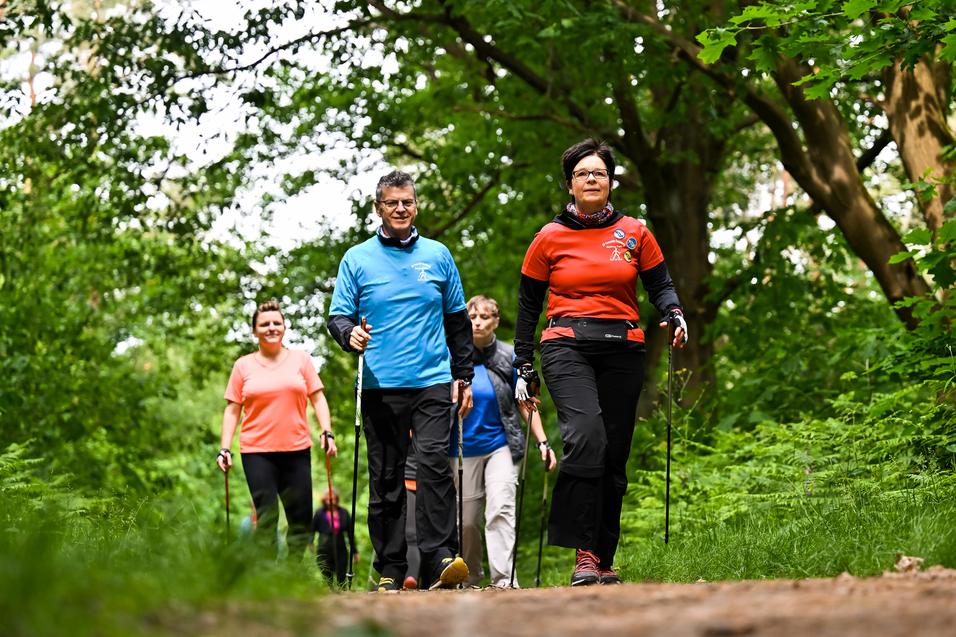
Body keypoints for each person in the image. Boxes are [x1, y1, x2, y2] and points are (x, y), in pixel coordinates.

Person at [513, 139, 687, 586]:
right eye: (582, 173)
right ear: (569, 184)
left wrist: (673, 312)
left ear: (610, 182)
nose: (591, 179)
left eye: (599, 173)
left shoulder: (635, 232)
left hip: (623, 346)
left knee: (614, 454)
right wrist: (522, 364)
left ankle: (602, 557)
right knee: (586, 436)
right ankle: (583, 553)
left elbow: (661, 285)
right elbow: (528, 305)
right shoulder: (548, 237)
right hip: (566, 344)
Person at [327, 169, 475, 592]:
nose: (400, 208)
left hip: (432, 379)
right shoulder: (357, 258)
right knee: (387, 478)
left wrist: (463, 375)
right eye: (391, 202)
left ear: (416, 206)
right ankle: (390, 567)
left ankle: (440, 556)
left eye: (407, 201)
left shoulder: (438, 255)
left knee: (433, 466)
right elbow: (339, 317)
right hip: (380, 384)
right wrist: (349, 335)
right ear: (378, 208)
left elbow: (457, 321)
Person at [217, 299, 336, 558]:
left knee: (301, 521)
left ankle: (291, 572)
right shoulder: (243, 366)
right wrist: (224, 448)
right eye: (264, 324)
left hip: (297, 450)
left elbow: (318, 398)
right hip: (257, 452)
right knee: (266, 518)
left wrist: (326, 431)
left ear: (284, 327)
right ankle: (267, 575)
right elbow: (232, 409)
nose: (271, 327)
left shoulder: (301, 360)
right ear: (255, 331)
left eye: (276, 323)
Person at [452, 295, 557, 588]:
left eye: (485, 317)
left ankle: (504, 581)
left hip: (501, 445)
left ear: (496, 321)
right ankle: (470, 579)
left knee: (500, 509)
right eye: (472, 317)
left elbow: (526, 403)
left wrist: (543, 442)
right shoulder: (453, 356)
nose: (477, 322)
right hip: (460, 448)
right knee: (466, 521)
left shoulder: (509, 357)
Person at [312, 487, 357, 586]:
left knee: (341, 576)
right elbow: (312, 530)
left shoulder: (343, 512)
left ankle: (343, 592)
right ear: (324, 499)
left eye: (332, 498)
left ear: (336, 498)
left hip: (341, 549)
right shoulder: (319, 513)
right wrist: (310, 543)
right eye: (328, 498)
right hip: (324, 549)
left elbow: (350, 533)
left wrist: (355, 551)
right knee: (327, 576)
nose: (330, 501)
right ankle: (330, 591)